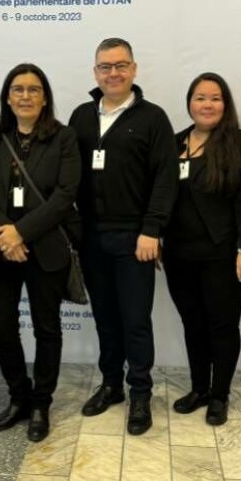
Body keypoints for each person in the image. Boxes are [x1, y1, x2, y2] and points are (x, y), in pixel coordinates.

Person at [68, 38, 178, 436]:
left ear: (134, 69)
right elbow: (68, 178)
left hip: (136, 239)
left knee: (135, 321)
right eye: (104, 67)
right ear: (95, 71)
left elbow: (166, 180)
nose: (112, 74)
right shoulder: (81, 116)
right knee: (105, 319)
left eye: (120, 66)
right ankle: (111, 385)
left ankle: (141, 394)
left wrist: (152, 229)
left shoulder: (153, 118)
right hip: (91, 237)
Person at [0, 63, 81, 442]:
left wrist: (21, 232)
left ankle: (41, 403)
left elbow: (65, 196)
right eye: (18, 89)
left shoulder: (64, 139)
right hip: (0, 249)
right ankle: (18, 397)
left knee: (47, 328)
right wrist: (7, 235)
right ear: (7, 96)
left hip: (45, 248)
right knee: (3, 328)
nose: (25, 96)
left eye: (34, 89)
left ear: (45, 96)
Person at [164, 73, 241, 426]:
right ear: (189, 103)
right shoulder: (173, 144)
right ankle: (199, 389)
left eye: (216, 98)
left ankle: (219, 395)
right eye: (200, 98)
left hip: (224, 255)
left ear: (226, 104)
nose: (208, 105)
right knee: (193, 324)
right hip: (179, 255)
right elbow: (161, 197)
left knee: (222, 326)